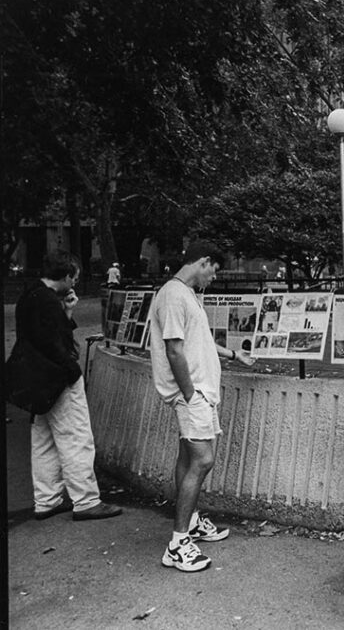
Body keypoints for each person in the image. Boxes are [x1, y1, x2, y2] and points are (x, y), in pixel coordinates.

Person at [149, 241, 255, 572]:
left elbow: (201, 341)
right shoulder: (173, 295)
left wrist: (235, 355)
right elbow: (174, 350)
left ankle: (191, 521)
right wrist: (190, 394)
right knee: (204, 459)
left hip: (199, 391)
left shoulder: (186, 295)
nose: (214, 277)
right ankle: (178, 544)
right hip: (193, 392)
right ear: (204, 262)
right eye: (215, 270)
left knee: (187, 457)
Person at [16, 250, 123, 521]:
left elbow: (41, 337)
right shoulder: (49, 302)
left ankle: (46, 499)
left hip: (36, 380)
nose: (74, 283)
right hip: (57, 378)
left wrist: (68, 309)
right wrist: (73, 371)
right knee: (76, 437)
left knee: (44, 440)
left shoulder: (30, 295)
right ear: (64, 277)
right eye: (73, 278)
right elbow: (57, 343)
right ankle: (86, 500)